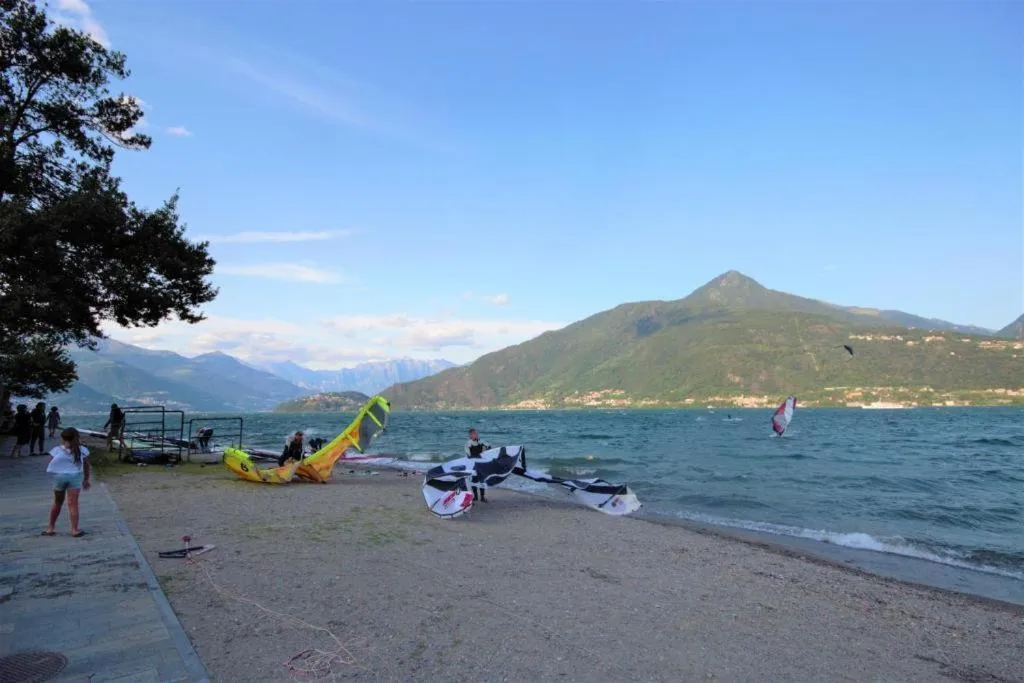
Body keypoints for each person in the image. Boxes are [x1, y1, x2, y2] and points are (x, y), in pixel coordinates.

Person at [43, 427, 91, 537]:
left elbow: (52, 464)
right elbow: (86, 466)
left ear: (63, 438)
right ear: (77, 437)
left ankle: (50, 528)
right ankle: (74, 530)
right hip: (75, 477)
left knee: (57, 502)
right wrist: (86, 479)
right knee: (73, 504)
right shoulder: (82, 450)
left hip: (59, 478)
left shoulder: (56, 450)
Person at [465, 428, 491, 503]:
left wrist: (486, 453)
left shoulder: (481, 441)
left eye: (476, 433)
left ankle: (482, 497)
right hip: (473, 464)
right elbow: (468, 455)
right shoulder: (468, 444)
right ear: (470, 435)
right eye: (474, 433)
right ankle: (475, 497)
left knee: (482, 480)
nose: (476, 434)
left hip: (481, 464)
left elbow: (489, 447)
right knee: (474, 480)